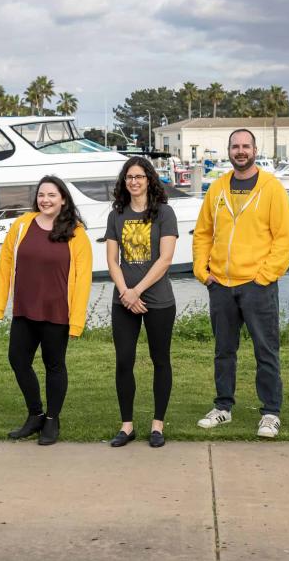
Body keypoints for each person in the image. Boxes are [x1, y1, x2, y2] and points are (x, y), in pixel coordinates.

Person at [192, 129, 289, 438]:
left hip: (257, 285)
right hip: (221, 285)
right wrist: (202, 271)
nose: (240, 151)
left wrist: (264, 276)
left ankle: (270, 413)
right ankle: (223, 407)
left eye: (245, 146)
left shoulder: (272, 188)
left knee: (266, 350)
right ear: (229, 150)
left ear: (254, 150)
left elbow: (284, 239)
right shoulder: (218, 188)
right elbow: (203, 233)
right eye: (235, 146)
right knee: (224, 350)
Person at [0, 176, 92, 446]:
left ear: (63, 199)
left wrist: (77, 321)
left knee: (54, 365)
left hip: (58, 310)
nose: (45, 200)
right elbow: (4, 265)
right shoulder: (22, 225)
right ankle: (35, 414)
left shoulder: (76, 233)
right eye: (41, 195)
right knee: (18, 360)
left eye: (51, 195)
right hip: (24, 308)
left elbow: (83, 279)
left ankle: (52, 420)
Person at [105, 157, 179, 448]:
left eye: (139, 177)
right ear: (124, 182)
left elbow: (165, 259)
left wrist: (137, 291)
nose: (134, 182)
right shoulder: (117, 214)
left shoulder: (164, 213)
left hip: (158, 300)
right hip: (123, 300)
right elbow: (112, 260)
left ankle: (157, 425)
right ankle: (127, 426)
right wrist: (126, 292)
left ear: (149, 180)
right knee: (124, 360)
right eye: (129, 177)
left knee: (160, 360)